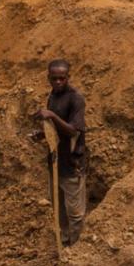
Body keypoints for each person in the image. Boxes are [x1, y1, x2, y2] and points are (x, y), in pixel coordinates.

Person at [33, 58, 88, 247]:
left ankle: (77, 247)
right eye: (54, 79)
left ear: (68, 78)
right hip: (57, 162)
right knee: (59, 208)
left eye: (62, 79)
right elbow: (56, 129)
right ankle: (64, 241)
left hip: (73, 163)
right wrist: (42, 134)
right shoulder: (53, 96)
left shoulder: (75, 99)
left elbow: (73, 131)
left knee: (75, 212)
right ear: (49, 78)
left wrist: (52, 116)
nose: (58, 82)